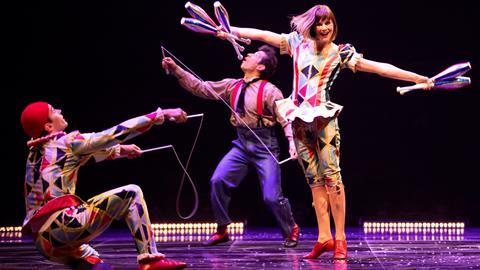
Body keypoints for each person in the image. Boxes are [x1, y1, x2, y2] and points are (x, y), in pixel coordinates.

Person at [223, 5, 432, 260]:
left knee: (333, 180)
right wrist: (229, 30)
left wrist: (418, 78)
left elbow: (380, 67)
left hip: (324, 122)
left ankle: (340, 239)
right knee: (315, 183)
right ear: (311, 25)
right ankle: (324, 238)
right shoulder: (296, 44)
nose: (324, 28)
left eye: (328, 23)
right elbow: (262, 34)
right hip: (299, 121)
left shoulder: (341, 53)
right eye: (320, 23)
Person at [20, 101, 189, 269]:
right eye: (53, 110)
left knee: (93, 260)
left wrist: (121, 151)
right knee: (131, 194)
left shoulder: (35, 153)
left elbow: (78, 156)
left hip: (44, 243)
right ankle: (150, 260)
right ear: (49, 126)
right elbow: (112, 135)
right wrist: (160, 115)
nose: (59, 110)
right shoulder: (68, 143)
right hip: (63, 227)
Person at [162, 45, 300, 248]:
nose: (247, 55)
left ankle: (291, 229)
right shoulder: (231, 85)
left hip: (265, 147)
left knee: (271, 197)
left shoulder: (270, 91)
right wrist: (176, 70)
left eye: (253, 55)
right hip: (241, 145)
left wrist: (291, 142)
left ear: (260, 67)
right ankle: (222, 229)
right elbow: (200, 87)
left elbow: (286, 119)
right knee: (218, 180)